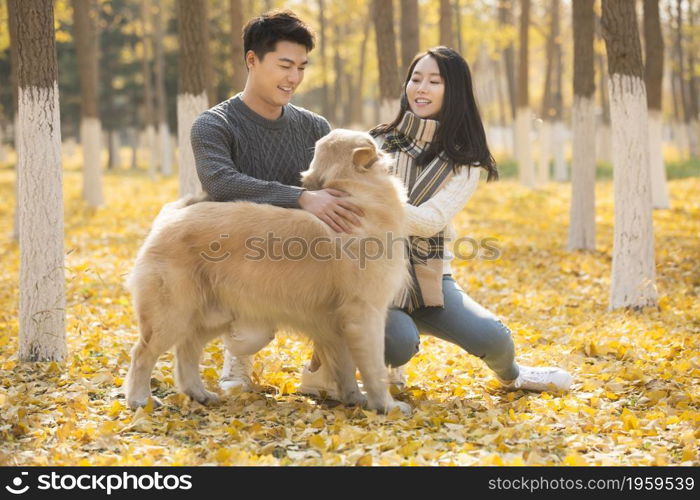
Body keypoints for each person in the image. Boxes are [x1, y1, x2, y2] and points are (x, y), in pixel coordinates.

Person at [298, 47, 573, 397]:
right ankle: (329, 366)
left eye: (434, 81)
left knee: (495, 339)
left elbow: (430, 222)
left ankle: (516, 376)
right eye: (415, 79)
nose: (421, 88)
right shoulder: (379, 141)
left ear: (453, 90)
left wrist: (369, 205)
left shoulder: (465, 161)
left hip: (430, 279)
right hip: (371, 272)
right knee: (398, 343)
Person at [190, 10, 363, 390]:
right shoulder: (214, 124)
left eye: (301, 67)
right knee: (250, 337)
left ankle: (322, 373)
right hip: (242, 259)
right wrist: (300, 197)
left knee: (357, 294)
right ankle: (237, 363)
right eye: (285, 65)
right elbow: (221, 182)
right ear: (252, 59)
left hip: (306, 255)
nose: (294, 78)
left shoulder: (315, 127)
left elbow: (334, 192)